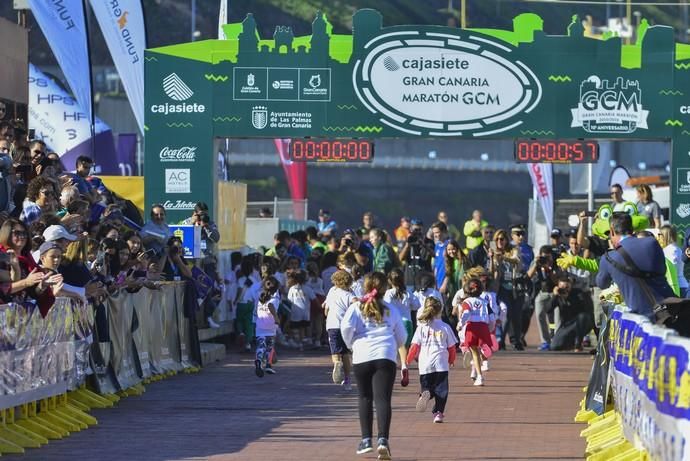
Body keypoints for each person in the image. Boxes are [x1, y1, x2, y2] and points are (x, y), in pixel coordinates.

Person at [340, 272, 406, 460]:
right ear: (385, 289)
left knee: (364, 398)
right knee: (383, 399)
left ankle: (366, 440)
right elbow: (401, 336)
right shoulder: (390, 309)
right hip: (385, 356)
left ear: (365, 287)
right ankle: (383, 440)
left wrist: (352, 345)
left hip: (362, 355)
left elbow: (345, 329)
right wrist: (393, 346)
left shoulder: (356, 307)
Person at [596, 212, 674, 318]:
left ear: (612, 231)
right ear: (631, 228)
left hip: (641, 322)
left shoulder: (608, 258)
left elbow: (602, 284)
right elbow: (662, 270)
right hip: (670, 311)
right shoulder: (652, 243)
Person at [406, 296, 457, 423]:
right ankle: (438, 412)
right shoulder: (445, 327)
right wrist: (451, 360)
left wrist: (408, 360)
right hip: (441, 363)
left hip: (425, 364)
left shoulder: (421, 328)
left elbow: (414, 347)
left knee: (427, 385)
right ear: (440, 310)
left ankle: (425, 393)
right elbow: (451, 347)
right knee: (441, 389)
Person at [489, 229, 523, 350]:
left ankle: (516, 340)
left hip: (514, 286)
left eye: (502, 239)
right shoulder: (493, 250)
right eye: (497, 239)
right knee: (505, 311)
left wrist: (503, 257)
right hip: (500, 287)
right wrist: (494, 258)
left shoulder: (513, 250)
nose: (499, 241)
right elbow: (491, 270)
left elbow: (517, 260)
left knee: (516, 315)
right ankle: (500, 340)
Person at [458, 277, 494, 386]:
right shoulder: (484, 301)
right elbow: (491, 316)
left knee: (473, 351)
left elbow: (466, 314)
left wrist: (460, 324)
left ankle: (479, 376)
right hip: (483, 326)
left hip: (472, 327)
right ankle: (477, 365)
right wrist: (491, 327)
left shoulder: (466, 302)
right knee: (478, 350)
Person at [383, 268, 415, 387]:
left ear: (390, 281)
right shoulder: (408, 292)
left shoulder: (389, 293)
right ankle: (404, 366)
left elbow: (386, 306)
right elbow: (416, 304)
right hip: (407, 321)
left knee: (392, 346)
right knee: (403, 346)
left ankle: (389, 369)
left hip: (394, 321)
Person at [324, 270, 356, 390]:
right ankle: (347, 380)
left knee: (335, 351)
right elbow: (355, 303)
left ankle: (337, 363)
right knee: (346, 353)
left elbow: (326, 310)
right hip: (346, 326)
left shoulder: (332, 291)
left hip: (332, 325)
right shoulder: (349, 295)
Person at [527, 246, 562, 351]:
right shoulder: (538, 262)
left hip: (556, 293)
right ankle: (545, 341)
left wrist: (549, 269)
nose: (546, 259)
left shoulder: (557, 263)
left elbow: (557, 282)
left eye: (548, 257)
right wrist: (536, 264)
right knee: (539, 314)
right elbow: (528, 275)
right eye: (544, 257)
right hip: (543, 292)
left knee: (557, 317)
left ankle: (557, 341)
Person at [548, 276, 594, 351]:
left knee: (582, 317)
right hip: (567, 325)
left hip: (582, 323)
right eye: (562, 287)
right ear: (558, 286)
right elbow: (548, 310)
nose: (565, 289)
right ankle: (570, 344)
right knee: (554, 346)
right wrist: (554, 296)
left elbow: (586, 310)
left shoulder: (578, 293)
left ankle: (578, 344)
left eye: (567, 287)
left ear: (571, 286)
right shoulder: (558, 296)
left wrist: (568, 298)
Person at [254, 276, 280, 377]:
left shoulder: (260, 297)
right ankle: (268, 365)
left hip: (260, 325)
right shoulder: (274, 297)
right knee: (269, 347)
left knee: (261, 345)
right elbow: (271, 306)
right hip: (270, 326)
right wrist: (276, 318)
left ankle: (259, 360)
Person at [398, 219, 433, 291]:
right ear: (410, 229)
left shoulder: (428, 242)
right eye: (415, 229)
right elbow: (400, 258)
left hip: (425, 279)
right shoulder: (407, 241)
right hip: (409, 279)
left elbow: (435, 255)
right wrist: (408, 244)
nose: (417, 232)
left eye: (419, 229)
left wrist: (424, 244)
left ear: (423, 229)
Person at [287, 270, 314, 351]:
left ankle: (298, 342)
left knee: (295, 327)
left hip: (295, 311)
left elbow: (289, 300)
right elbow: (314, 298)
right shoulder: (308, 289)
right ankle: (304, 342)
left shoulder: (292, 288)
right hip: (305, 312)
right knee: (303, 327)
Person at [659, 224, 688, 297]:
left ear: (665, 236)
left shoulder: (670, 251)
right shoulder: (677, 249)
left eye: (660, 234)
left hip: (676, 288)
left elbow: (672, 270)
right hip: (681, 286)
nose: (658, 237)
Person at [432, 221, 450, 290]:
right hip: (437, 283)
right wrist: (434, 282)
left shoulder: (449, 245)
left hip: (446, 284)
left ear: (444, 232)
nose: (435, 235)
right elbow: (436, 266)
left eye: (437, 232)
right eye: (434, 233)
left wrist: (445, 283)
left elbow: (451, 267)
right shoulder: (437, 246)